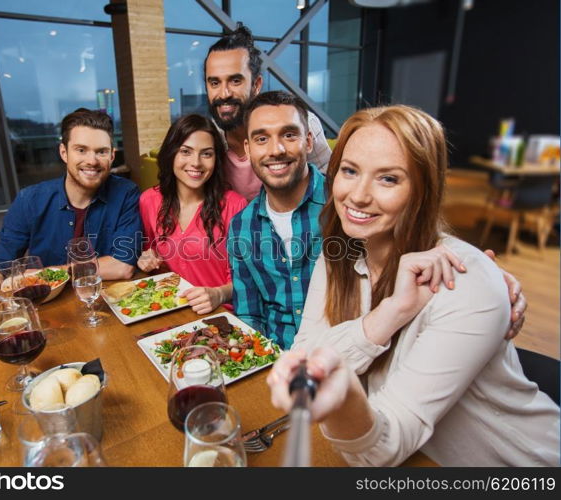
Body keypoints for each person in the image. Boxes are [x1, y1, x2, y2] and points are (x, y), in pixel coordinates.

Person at [267, 104, 560, 466]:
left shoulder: (464, 281)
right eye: (350, 170)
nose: (358, 195)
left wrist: (338, 390)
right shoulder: (339, 254)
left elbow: (381, 450)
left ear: (422, 190)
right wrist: (390, 313)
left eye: (388, 178)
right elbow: (306, 356)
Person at [228, 91, 527, 350]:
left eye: (289, 134)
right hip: (285, 364)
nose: (276, 149)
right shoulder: (242, 226)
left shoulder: (350, 205)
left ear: (308, 141)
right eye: (262, 138)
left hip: (360, 363)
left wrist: (480, 275)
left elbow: (416, 236)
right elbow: (249, 314)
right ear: (248, 149)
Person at [0, 108, 142, 316]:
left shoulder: (126, 193)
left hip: (105, 306)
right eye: (81, 150)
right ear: (64, 152)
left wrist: (50, 273)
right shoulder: (30, 200)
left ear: (112, 156)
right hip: (49, 309)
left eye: (101, 151)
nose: (92, 160)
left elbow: (122, 266)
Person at [204, 24, 332, 201]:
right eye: (214, 83)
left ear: (256, 84)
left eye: (235, 81)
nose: (224, 93)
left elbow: (331, 183)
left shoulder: (301, 123)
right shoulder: (208, 139)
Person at [137, 114, 246, 314]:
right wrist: (146, 258)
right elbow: (149, 252)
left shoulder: (235, 205)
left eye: (206, 154)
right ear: (171, 154)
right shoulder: (148, 200)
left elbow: (245, 280)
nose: (196, 163)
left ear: (216, 159)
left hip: (218, 315)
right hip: (167, 313)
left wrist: (219, 294)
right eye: (185, 152)